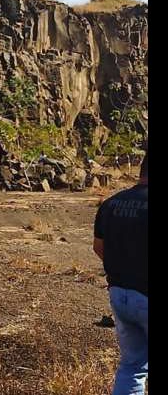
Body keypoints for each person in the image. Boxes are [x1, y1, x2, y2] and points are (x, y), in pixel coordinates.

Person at [93, 152, 148, 395]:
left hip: (119, 294)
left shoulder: (111, 203)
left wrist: (126, 268)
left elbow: (98, 246)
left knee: (132, 366)